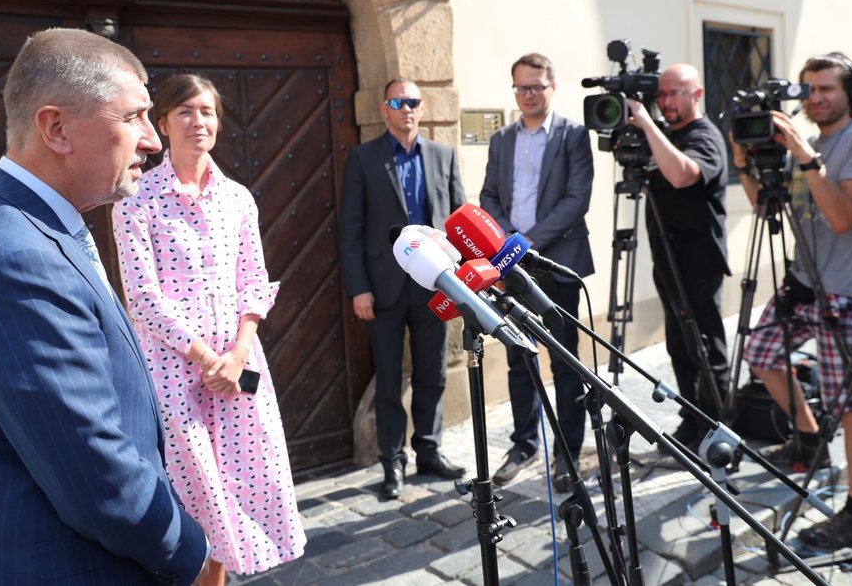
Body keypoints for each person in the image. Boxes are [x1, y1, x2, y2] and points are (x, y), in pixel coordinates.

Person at [0, 28, 210, 584]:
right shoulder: (19, 258)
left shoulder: (34, 227)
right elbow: (93, 471)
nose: (152, 141)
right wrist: (191, 555)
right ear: (56, 128)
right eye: (133, 118)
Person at [112, 74, 306, 584]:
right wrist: (207, 358)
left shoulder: (238, 198)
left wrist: (238, 355)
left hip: (239, 366)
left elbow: (254, 282)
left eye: (208, 112)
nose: (199, 122)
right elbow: (143, 299)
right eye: (186, 112)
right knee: (195, 497)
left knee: (241, 488)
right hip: (176, 371)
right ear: (162, 123)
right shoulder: (136, 200)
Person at [731, 53, 852, 550]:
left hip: (848, 286)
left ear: (850, 93)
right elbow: (767, 207)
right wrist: (744, 163)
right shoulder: (814, 143)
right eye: (809, 89)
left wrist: (804, 154)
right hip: (805, 277)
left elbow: (844, 217)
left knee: (848, 397)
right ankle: (808, 437)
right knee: (760, 353)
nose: (816, 98)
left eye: (826, 88)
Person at [338, 78, 468, 498]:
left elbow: (457, 223)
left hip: (436, 285)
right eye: (398, 101)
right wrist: (359, 288)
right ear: (384, 108)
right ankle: (392, 462)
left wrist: (463, 277)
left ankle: (429, 451)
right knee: (390, 380)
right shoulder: (363, 158)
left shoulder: (444, 156)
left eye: (413, 101)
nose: (406, 108)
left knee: (433, 374)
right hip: (384, 288)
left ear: (422, 107)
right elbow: (351, 229)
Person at [480, 53, 594, 492]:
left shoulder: (574, 136)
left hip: (556, 264)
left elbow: (575, 200)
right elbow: (490, 195)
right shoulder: (502, 139)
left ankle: (568, 452)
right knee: (518, 359)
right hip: (509, 266)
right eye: (521, 88)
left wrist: (525, 243)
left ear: (552, 87)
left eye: (537, 87)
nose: (529, 95)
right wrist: (507, 242)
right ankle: (524, 444)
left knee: (565, 364)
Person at [626, 64, 731, 450]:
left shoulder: (705, 136)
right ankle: (692, 418)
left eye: (676, 94)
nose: (666, 102)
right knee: (679, 345)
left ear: (697, 95)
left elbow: (683, 175)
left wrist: (649, 127)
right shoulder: (665, 136)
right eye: (662, 95)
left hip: (699, 258)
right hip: (666, 255)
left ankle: (720, 430)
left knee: (705, 344)